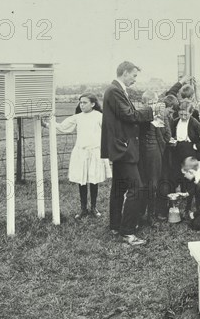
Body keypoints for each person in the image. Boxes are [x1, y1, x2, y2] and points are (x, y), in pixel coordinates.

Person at [101, 61, 154, 246]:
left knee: (119, 187)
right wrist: (151, 110)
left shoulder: (115, 90)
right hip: (123, 148)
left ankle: (116, 225)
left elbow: (127, 115)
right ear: (124, 73)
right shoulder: (115, 91)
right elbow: (130, 115)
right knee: (136, 188)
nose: (135, 79)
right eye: (134, 75)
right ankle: (128, 232)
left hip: (120, 147)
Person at [42, 93, 111, 219]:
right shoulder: (77, 117)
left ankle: (94, 208)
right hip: (81, 153)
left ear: (93, 104)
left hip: (95, 152)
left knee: (93, 180)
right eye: (80, 102)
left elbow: (109, 131)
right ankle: (83, 208)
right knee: (82, 181)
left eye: (85, 102)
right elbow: (63, 127)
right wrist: (46, 125)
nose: (82, 105)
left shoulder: (99, 116)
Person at [138, 97, 171, 224]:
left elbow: (167, 135)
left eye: (154, 102)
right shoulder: (139, 116)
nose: (152, 105)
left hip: (154, 154)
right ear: (143, 103)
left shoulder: (161, 116)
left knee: (153, 183)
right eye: (149, 103)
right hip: (141, 154)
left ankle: (151, 214)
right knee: (142, 183)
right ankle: (140, 213)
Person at [170, 100, 200, 193]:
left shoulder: (193, 122)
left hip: (189, 150)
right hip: (177, 150)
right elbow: (171, 134)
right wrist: (173, 140)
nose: (183, 117)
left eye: (186, 115)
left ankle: (190, 196)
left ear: (191, 113)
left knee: (189, 173)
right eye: (181, 114)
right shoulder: (175, 122)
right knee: (179, 172)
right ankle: (182, 193)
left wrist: (197, 146)